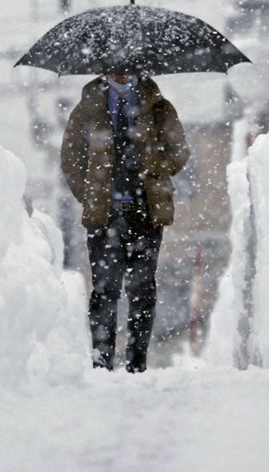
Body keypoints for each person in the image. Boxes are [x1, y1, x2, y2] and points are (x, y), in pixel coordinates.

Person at [61, 73, 190, 372]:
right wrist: (90, 193)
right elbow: (71, 159)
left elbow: (179, 153)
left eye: (129, 64)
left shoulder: (159, 108)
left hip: (145, 211)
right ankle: (102, 360)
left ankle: (136, 363)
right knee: (105, 290)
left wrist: (153, 164)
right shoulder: (87, 109)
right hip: (105, 214)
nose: (122, 70)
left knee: (142, 289)